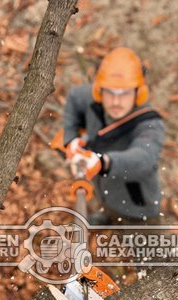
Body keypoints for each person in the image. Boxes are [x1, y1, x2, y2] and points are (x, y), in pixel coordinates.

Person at [62, 46, 165, 225]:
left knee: (148, 246)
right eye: (110, 92)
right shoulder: (89, 98)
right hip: (103, 188)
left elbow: (143, 157)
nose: (116, 101)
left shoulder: (150, 124)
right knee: (107, 206)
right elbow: (74, 100)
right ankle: (108, 216)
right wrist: (71, 141)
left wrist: (103, 163)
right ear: (99, 90)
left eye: (124, 94)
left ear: (138, 92)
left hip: (138, 207)